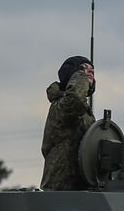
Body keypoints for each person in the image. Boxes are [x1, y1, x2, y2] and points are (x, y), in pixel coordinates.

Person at [40, 56, 96, 190]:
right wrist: (80, 77)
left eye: (92, 70)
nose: (89, 72)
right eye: (83, 68)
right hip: (61, 187)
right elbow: (75, 99)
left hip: (81, 185)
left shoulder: (85, 111)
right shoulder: (61, 106)